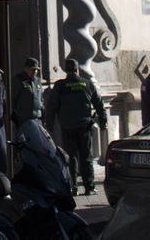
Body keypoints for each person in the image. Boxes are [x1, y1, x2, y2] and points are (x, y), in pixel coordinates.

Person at [43, 57, 107, 195]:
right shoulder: (87, 83)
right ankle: (89, 187)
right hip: (84, 126)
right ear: (77, 69)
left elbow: (52, 106)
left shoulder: (60, 85)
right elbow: (99, 104)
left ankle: (73, 188)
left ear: (66, 70)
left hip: (68, 127)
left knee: (70, 157)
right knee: (86, 157)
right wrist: (103, 122)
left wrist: (49, 125)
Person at [12, 57, 46, 125]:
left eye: (36, 70)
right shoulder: (18, 80)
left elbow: (41, 99)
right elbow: (13, 99)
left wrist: (43, 114)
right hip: (24, 119)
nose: (35, 72)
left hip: (37, 118)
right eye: (32, 69)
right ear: (26, 69)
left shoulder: (38, 81)